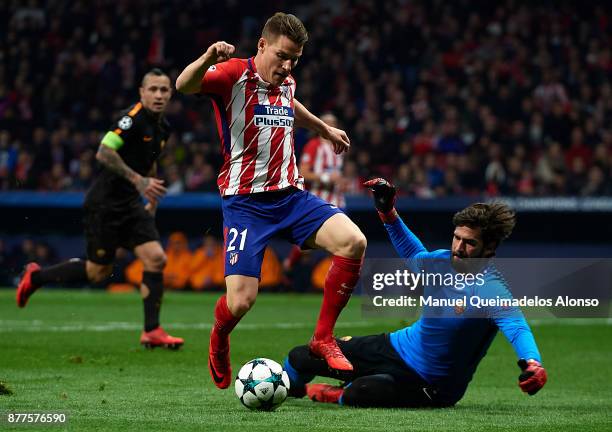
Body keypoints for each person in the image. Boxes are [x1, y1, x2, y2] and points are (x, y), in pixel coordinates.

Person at [176, 12, 367, 389]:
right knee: (242, 302)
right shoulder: (232, 75)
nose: (287, 65)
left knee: (354, 241)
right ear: (262, 45)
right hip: (246, 204)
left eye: (294, 58)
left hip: (291, 196)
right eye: (281, 56)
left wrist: (324, 129)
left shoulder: (287, 80)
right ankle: (219, 337)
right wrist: (207, 59)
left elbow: (290, 106)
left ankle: (323, 338)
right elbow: (184, 85)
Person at [283, 178, 548, 408]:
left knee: (363, 391)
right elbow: (413, 254)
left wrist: (532, 363)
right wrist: (388, 212)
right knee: (300, 357)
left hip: (432, 384)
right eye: (457, 237)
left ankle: (334, 395)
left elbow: (516, 327)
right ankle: (284, 390)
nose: (458, 247)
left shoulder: (492, 290)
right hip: (396, 347)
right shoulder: (441, 261)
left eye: (470, 243)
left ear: (489, 249)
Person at [16, 69, 184, 350]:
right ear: (141, 92)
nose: (158, 95)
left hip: (131, 205)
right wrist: (139, 181)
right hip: (105, 205)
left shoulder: (162, 127)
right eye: (153, 89)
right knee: (97, 273)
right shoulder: (130, 119)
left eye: (164, 90)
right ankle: (36, 277)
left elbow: (149, 161)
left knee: (156, 258)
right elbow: (104, 151)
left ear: (170, 94)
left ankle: (152, 331)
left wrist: (151, 195)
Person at [283, 112, 346, 273]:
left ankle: (335, 281)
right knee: (309, 243)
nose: (331, 126)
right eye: (327, 123)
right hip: (319, 199)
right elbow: (303, 172)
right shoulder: (313, 145)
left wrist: (341, 182)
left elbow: (337, 174)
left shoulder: (338, 145)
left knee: (342, 243)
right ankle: (288, 267)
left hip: (338, 200)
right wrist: (327, 178)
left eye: (333, 123)